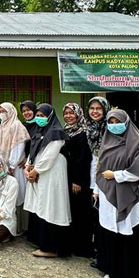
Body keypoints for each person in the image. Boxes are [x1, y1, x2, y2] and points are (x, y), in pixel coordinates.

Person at [94, 109, 139, 278]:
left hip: (132, 197)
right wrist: (96, 189)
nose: (114, 124)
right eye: (111, 121)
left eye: (118, 120)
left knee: (133, 234)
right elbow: (100, 167)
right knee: (114, 234)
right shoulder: (107, 141)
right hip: (110, 195)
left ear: (126, 122)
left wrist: (116, 175)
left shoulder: (138, 142)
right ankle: (116, 273)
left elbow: (138, 171)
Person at [23, 103, 71, 258]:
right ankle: (42, 243)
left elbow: (50, 155)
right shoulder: (39, 131)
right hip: (40, 172)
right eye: (38, 115)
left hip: (52, 173)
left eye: (43, 116)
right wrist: (28, 166)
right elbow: (33, 151)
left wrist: (35, 170)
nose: (39, 118)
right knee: (42, 206)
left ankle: (52, 248)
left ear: (50, 116)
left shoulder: (56, 133)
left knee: (52, 206)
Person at [62, 103, 94, 257]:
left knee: (81, 212)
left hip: (78, 178)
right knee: (71, 211)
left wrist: (77, 181)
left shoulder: (83, 133)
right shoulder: (66, 131)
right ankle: (72, 244)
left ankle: (84, 247)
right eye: (66, 113)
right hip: (67, 175)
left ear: (78, 114)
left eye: (71, 113)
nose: (68, 116)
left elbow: (82, 159)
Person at [0, 102, 30, 235]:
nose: (1, 113)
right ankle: (10, 226)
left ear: (10, 111)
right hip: (6, 167)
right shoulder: (3, 125)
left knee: (19, 195)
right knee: (9, 196)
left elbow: (18, 147)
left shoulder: (16, 125)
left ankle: (22, 227)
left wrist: (11, 165)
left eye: (3, 111)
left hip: (15, 168)